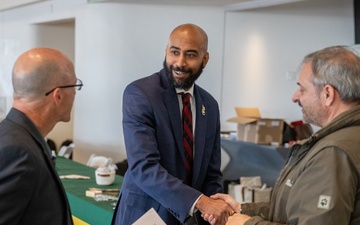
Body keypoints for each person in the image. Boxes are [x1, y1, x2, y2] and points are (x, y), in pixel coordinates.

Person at [202, 45, 360, 225]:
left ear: (328, 94)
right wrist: (242, 209)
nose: (295, 97)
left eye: (302, 89)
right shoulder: (346, 139)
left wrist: (246, 223)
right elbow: (298, 207)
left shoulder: (334, 152)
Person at [112, 23, 233, 225]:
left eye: (191, 55)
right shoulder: (140, 94)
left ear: (205, 59)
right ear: (166, 51)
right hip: (145, 216)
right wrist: (201, 202)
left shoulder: (209, 105)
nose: (180, 62)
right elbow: (144, 167)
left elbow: (212, 173)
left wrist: (215, 205)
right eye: (174, 52)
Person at [0, 48, 83, 225]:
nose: (75, 93)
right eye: (75, 86)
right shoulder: (18, 150)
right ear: (58, 95)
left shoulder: (19, 135)